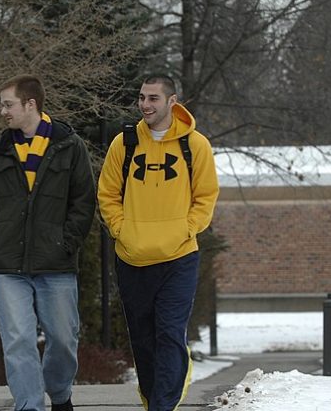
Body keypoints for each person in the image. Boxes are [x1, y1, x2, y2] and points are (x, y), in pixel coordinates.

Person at [0, 75, 96, 411]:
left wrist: (66, 241)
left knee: (63, 339)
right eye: (2, 104)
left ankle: (60, 394)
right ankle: (28, 405)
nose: (2, 111)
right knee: (18, 341)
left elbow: (84, 201)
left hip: (55, 262)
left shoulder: (70, 148)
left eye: (8, 104)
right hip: (8, 265)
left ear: (31, 104)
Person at [97, 75, 219, 411]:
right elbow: (107, 193)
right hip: (132, 256)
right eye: (141, 98)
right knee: (143, 340)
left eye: (153, 98)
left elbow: (206, 196)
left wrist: (187, 228)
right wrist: (121, 229)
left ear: (172, 101)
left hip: (179, 256)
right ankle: (153, 399)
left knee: (169, 334)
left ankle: (163, 405)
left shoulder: (195, 146)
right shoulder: (124, 144)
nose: (145, 105)